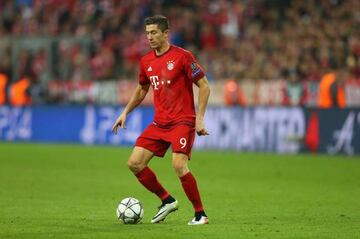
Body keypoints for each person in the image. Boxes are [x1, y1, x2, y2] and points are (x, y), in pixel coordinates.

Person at [112, 15, 210, 225]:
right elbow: (141, 89)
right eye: (147, 33)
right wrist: (125, 112)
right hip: (160, 123)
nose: (150, 37)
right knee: (135, 163)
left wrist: (199, 119)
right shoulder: (146, 61)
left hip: (182, 121)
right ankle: (167, 200)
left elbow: (204, 85)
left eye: (154, 32)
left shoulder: (183, 57)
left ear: (166, 33)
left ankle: (200, 214)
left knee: (178, 165)